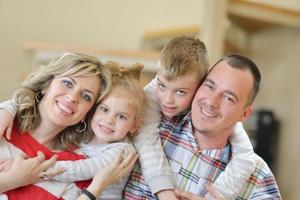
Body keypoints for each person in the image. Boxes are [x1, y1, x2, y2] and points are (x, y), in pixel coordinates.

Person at [126, 54, 282, 199]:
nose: (211, 102)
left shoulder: (258, 177)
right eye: (210, 86)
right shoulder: (144, 126)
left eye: (228, 97)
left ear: (245, 114)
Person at [0, 61, 145, 199]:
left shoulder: (121, 151)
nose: (109, 120)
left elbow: (82, 169)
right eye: (105, 110)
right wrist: (8, 108)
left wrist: (32, 170)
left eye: (121, 116)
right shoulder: (82, 141)